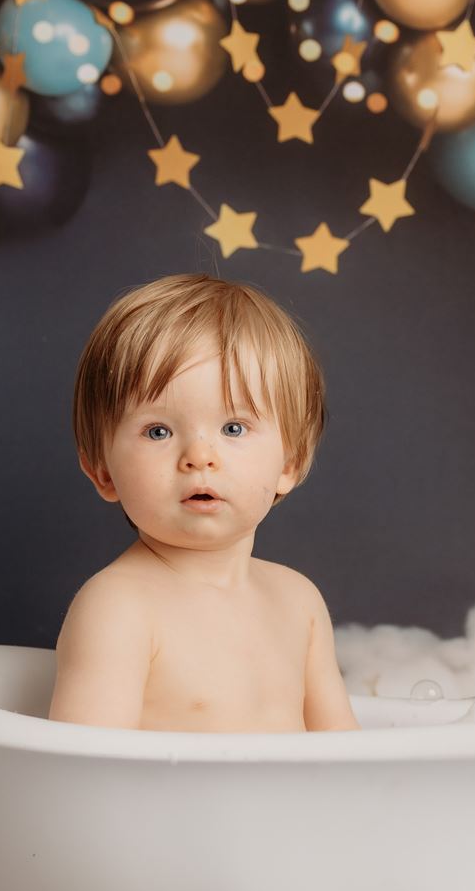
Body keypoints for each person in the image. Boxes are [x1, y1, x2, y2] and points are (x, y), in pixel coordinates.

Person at [47, 273, 359, 732]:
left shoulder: (299, 602)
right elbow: (84, 776)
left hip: (291, 806)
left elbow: (347, 759)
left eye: (233, 428)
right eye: (158, 431)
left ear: (289, 464)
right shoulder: (118, 608)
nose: (199, 457)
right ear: (103, 471)